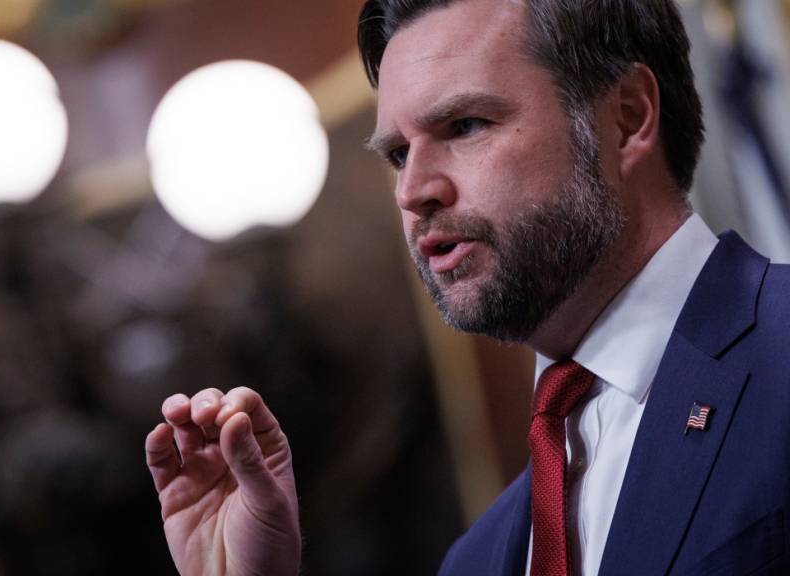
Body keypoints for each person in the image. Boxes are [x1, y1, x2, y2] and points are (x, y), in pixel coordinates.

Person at [145, 0, 790, 574]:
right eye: (399, 154)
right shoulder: (478, 558)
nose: (412, 190)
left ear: (626, 117)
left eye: (465, 126)